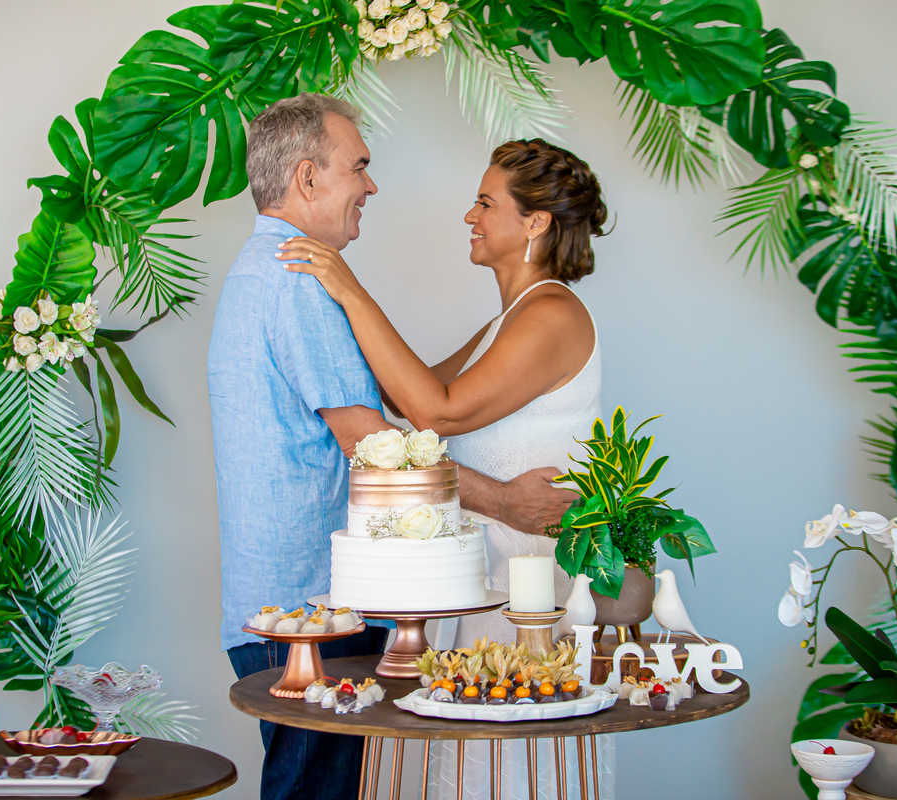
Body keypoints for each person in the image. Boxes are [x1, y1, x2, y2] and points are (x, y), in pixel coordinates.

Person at [209, 95, 575, 800]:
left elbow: (412, 404)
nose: (371, 186)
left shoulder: (269, 270)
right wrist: (506, 503)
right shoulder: (298, 279)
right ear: (309, 177)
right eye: (360, 168)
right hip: (313, 615)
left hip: (290, 609)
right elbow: (374, 445)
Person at [279, 137, 613, 799]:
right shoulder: (507, 322)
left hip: (528, 593)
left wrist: (349, 291)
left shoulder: (552, 313)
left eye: (487, 203)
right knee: (463, 769)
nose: (471, 215)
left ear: (536, 222)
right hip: (478, 578)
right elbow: (407, 400)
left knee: (509, 769)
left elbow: (439, 409)